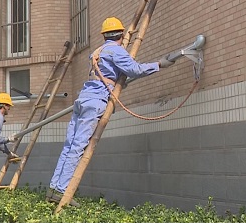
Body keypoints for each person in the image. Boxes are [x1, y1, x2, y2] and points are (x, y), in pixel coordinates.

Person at [47, 17, 176, 206]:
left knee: (69, 146)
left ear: (104, 35)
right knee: (78, 147)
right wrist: (159, 64)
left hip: (82, 99)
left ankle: (54, 188)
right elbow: (135, 70)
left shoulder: (98, 51)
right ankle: (62, 190)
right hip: (95, 102)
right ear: (121, 34)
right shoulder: (116, 51)